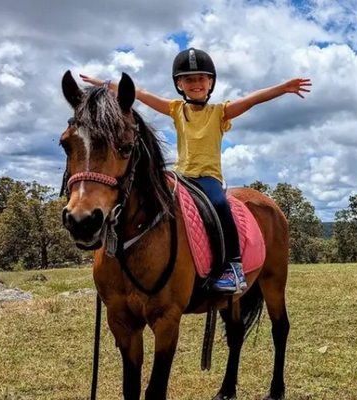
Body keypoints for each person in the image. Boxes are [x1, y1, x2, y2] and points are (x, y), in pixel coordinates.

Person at [80, 47, 311, 294]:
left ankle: (233, 267)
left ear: (210, 83)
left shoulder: (219, 112)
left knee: (221, 206)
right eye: (189, 79)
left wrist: (282, 88)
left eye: (201, 78)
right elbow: (143, 94)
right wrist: (104, 84)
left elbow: (252, 99)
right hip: (181, 177)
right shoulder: (176, 109)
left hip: (208, 178)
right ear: (180, 84)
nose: (195, 84)